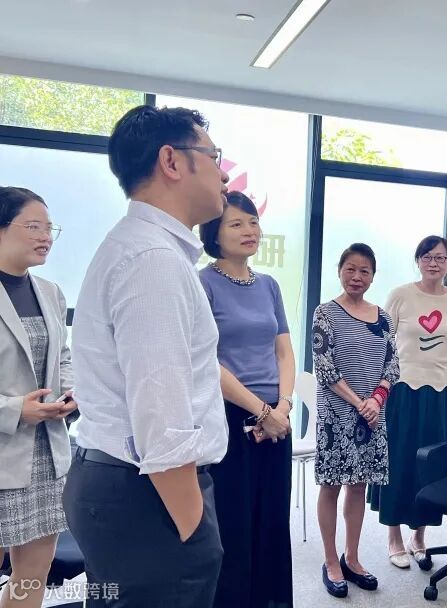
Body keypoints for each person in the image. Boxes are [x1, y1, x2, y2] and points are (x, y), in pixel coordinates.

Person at [63, 105, 230, 607]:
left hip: (124, 484)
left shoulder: (143, 247)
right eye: (214, 156)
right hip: (147, 495)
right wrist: (194, 530)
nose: (223, 173)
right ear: (171, 161)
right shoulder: (153, 260)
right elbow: (161, 418)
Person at [198, 191, 295, 607]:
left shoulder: (269, 285)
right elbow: (206, 361)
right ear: (214, 234)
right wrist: (261, 411)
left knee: (272, 519)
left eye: (253, 222)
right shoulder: (203, 283)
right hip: (230, 416)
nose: (249, 230)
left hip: (276, 419)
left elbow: (284, 352)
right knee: (233, 522)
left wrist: (283, 407)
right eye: (236, 223)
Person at [367, 236, 447, 570]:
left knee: (431, 465)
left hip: (442, 394)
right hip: (403, 391)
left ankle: (419, 536)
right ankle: (394, 536)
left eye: (440, 258)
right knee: (399, 461)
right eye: (427, 257)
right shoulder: (401, 296)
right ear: (418, 261)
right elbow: (383, 344)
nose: (433, 263)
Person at [0, 187, 77, 608]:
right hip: (2, 450)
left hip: (46, 454)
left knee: (32, 576)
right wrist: (15, 410)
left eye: (50, 228)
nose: (45, 236)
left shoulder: (50, 292)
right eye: (33, 226)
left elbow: (62, 356)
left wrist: (70, 393)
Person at [313, 243, 400, 599]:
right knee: (331, 485)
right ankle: (330, 561)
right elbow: (325, 367)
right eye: (350, 268)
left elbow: (392, 366)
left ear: (373, 276)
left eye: (364, 271)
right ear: (340, 271)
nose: (356, 276)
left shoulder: (383, 317)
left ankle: (352, 558)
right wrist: (359, 403)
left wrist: (376, 400)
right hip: (336, 416)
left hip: (372, 417)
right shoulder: (325, 313)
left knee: (359, 486)